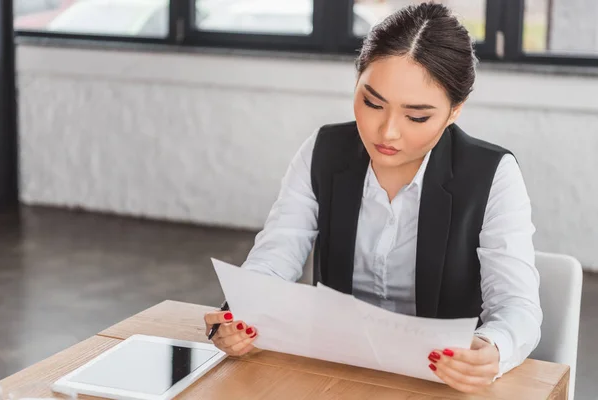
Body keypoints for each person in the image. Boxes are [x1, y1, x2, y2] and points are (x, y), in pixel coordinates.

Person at [204, 2, 542, 394]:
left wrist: (494, 349)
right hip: (335, 372)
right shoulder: (324, 150)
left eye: (417, 117)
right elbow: (276, 255)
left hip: (436, 384)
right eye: (372, 103)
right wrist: (241, 311)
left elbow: (517, 306)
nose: (388, 132)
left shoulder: (491, 173)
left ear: (455, 111)